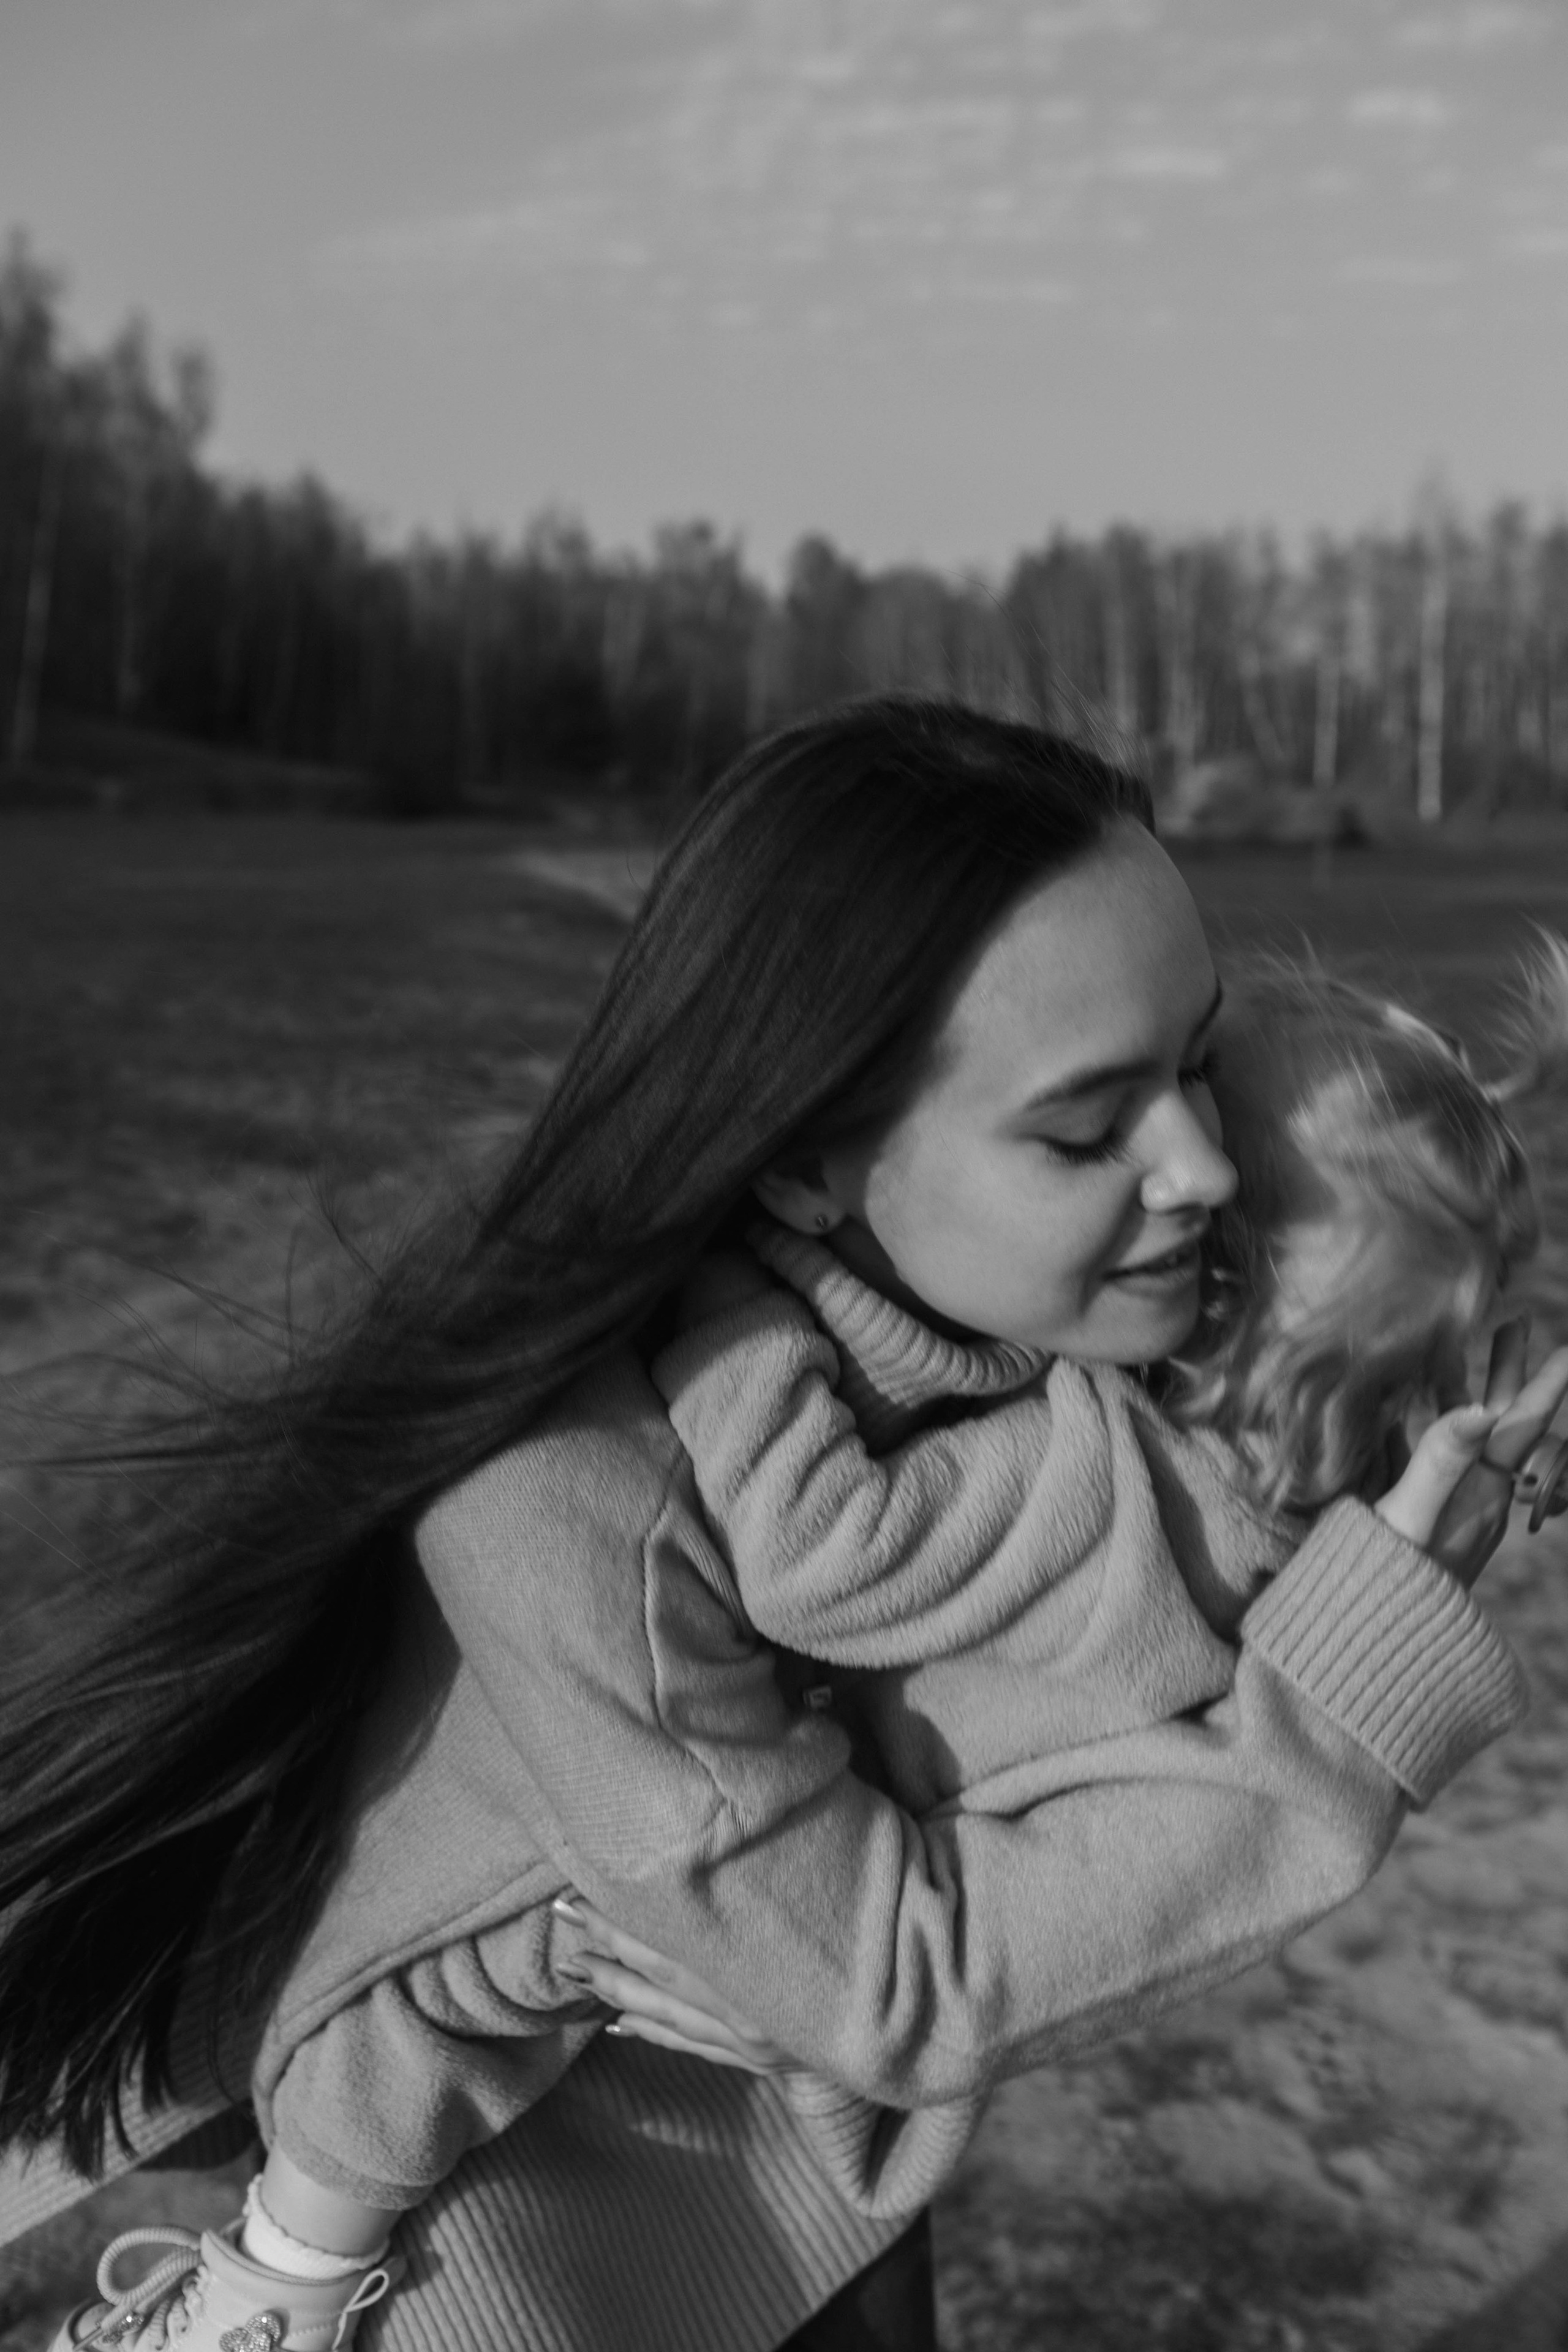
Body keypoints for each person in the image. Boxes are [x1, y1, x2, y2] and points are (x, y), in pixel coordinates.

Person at [2, 703, 1559, 2352]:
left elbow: (1095, 1694)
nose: (1201, 1165)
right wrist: (1354, 1677)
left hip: (787, 2224)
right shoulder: (572, 1510)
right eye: (1090, 1124)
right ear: (808, 1163)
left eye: (1197, 1064)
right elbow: (908, 1979)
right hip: (509, 2282)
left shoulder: (988, 1347)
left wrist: (1409, 1414)